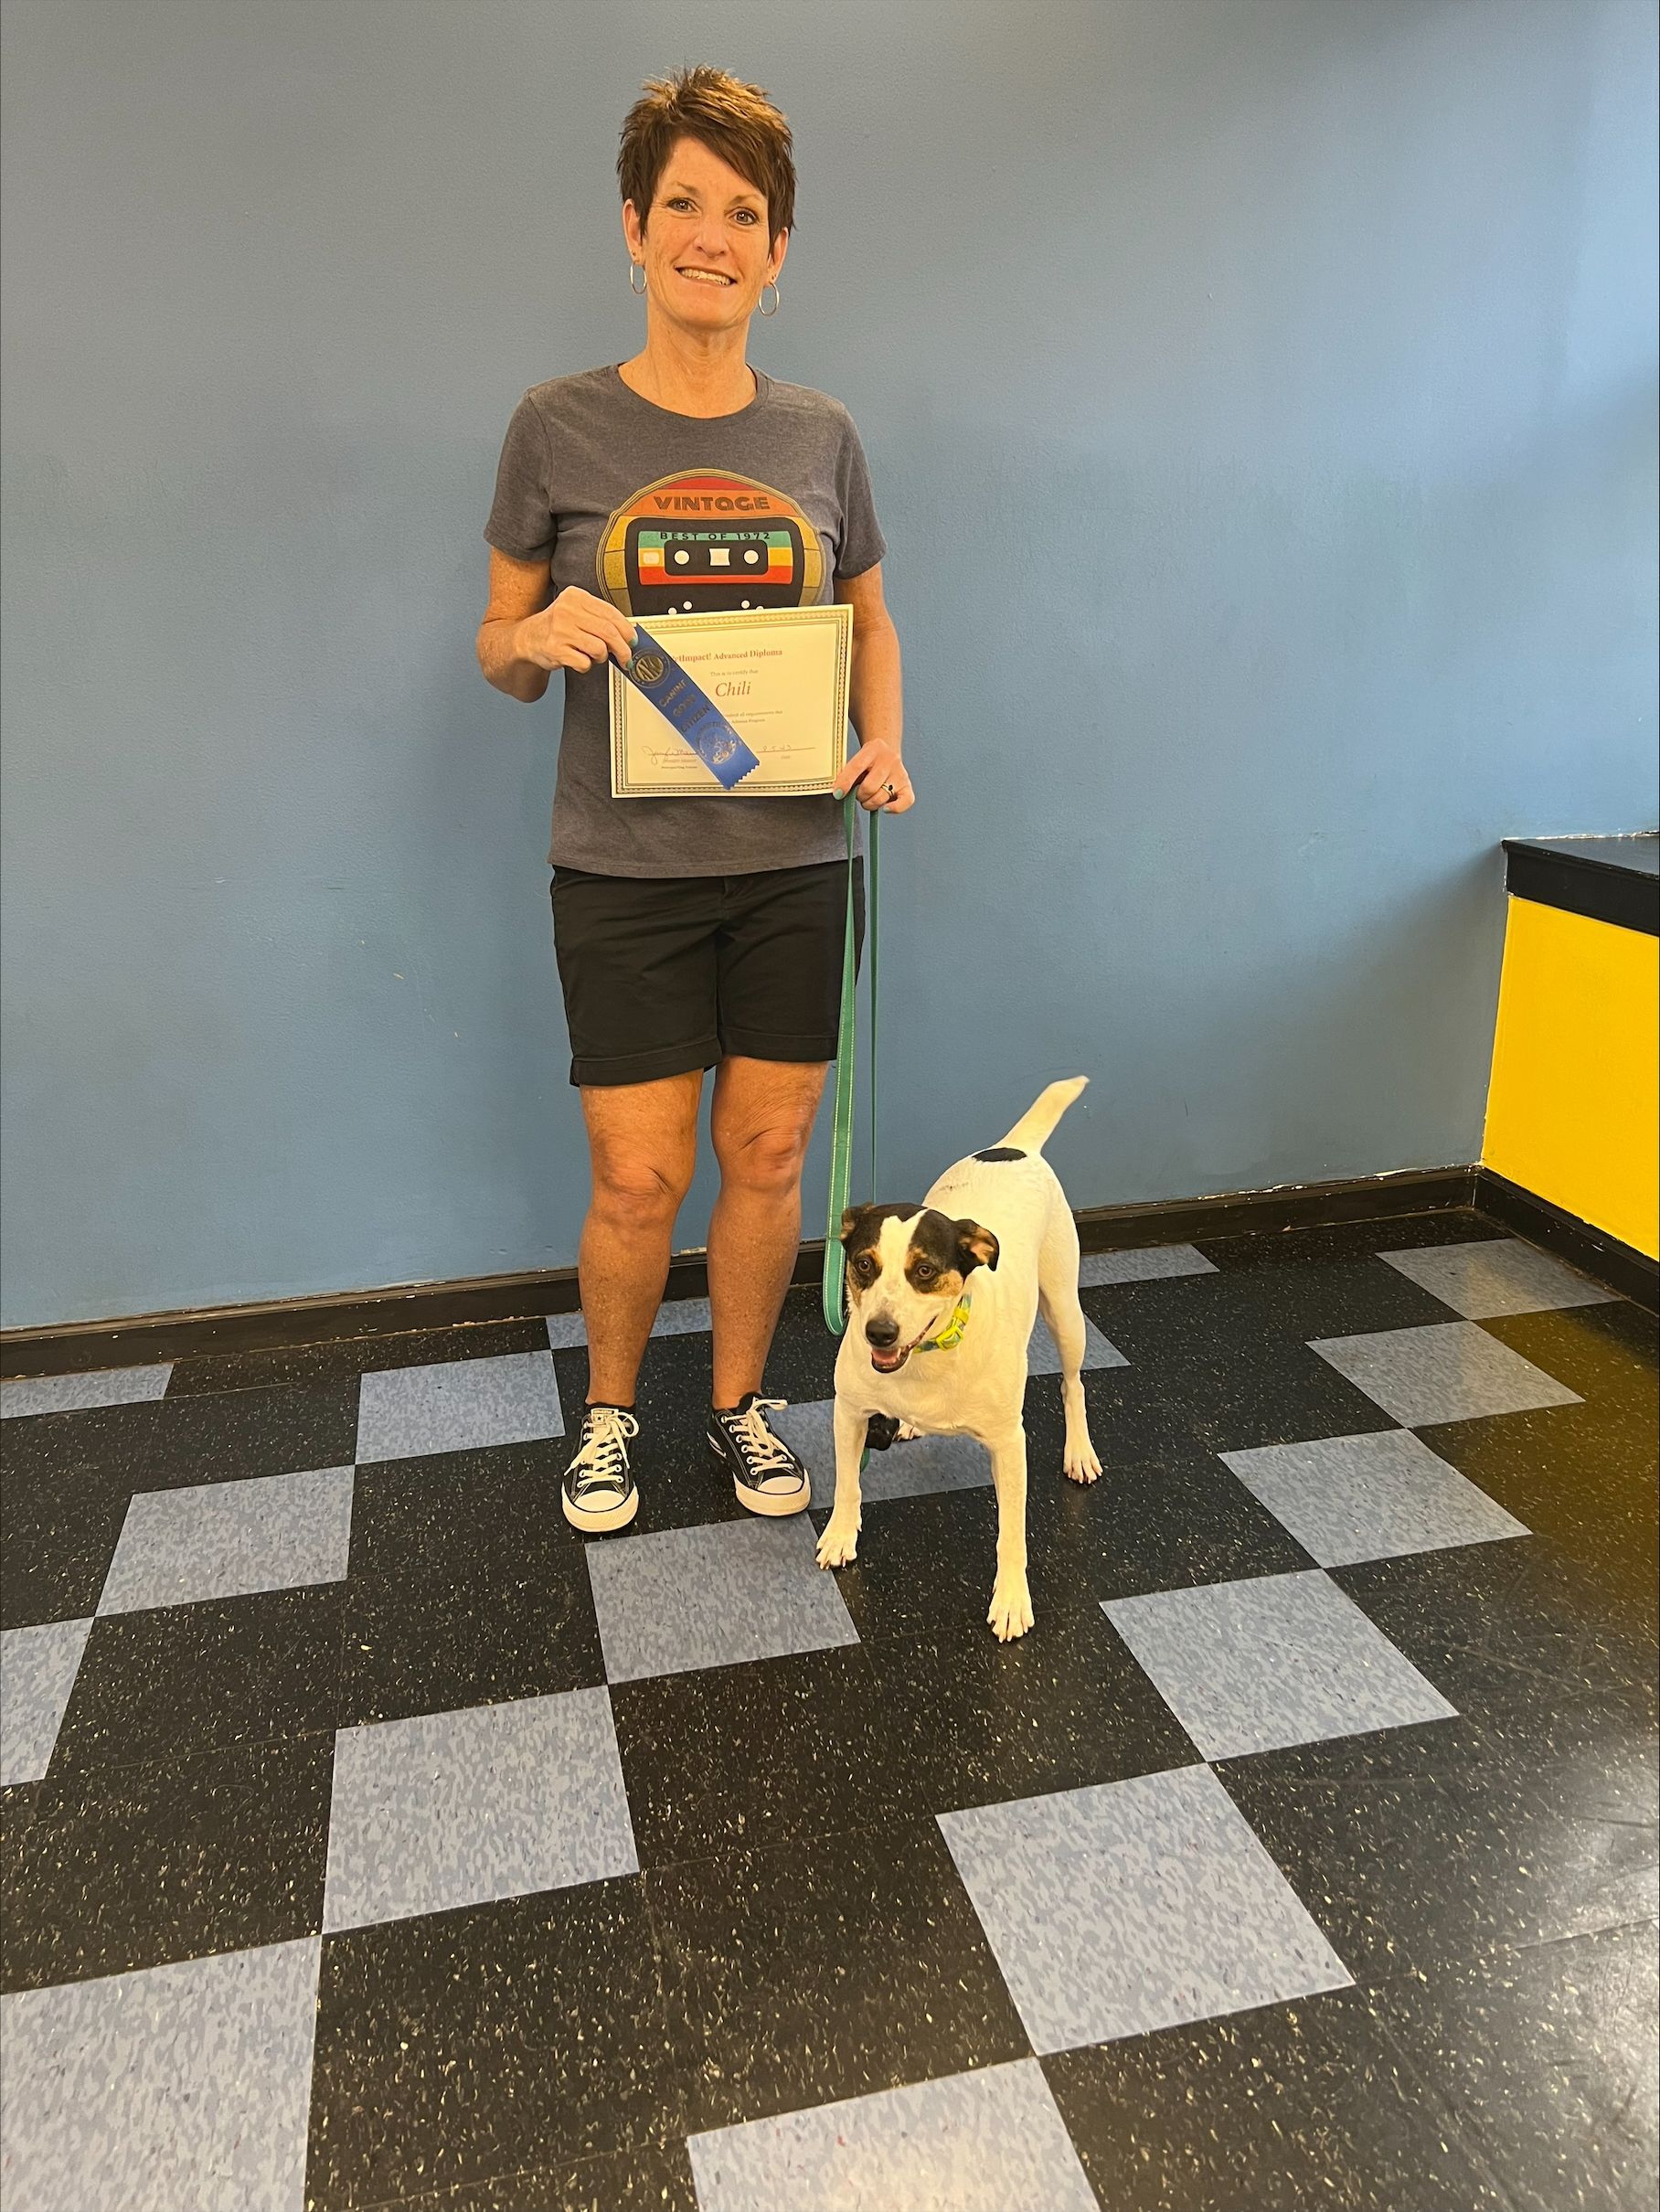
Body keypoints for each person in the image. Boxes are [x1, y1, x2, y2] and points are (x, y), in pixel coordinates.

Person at [476, 65, 910, 1537]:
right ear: (634, 226)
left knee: (772, 1155)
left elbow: (871, 620)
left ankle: (737, 1408)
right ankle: (608, 1417)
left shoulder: (821, 435)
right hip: (621, 868)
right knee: (641, 1172)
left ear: (777, 253)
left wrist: (884, 743)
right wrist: (533, 640)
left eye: (745, 212)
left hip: (794, 861)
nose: (712, 235)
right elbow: (497, 645)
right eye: (685, 205)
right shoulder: (556, 426)